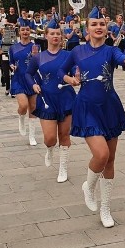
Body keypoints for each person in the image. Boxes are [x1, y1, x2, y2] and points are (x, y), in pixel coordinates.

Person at [60, 7, 125, 228]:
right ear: (87, 29)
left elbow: (123, 59)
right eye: (94, 24)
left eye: (102, 24)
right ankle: (89, 185)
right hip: (86, 108)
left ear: (107, 29)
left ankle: (106, 208)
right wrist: (70, 79)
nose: (98, 27)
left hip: (109, 107)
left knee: (111, 159)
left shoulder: (110, 51)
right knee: (101, 154)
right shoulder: (77, 51)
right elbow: (62, 71)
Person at [24, 19, 76, 182]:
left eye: (58, 34)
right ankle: (49, 149)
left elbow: (75, 70)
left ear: (62, 37)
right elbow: (28, 74)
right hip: (46, 98)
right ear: (46, 36)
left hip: (66, 98)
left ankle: (63, 169)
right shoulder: (38, 57)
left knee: (64, 135)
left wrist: (76, 77)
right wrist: (33, 85)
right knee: (50, 138)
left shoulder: (68, 55)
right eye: (52, 33)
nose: (55, 36)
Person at [9, 25, 40, 145]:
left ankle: (32, 136)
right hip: (18, 78)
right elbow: (11, 61)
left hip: (32, 79)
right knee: (23, 105)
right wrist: (12, 66)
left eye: (27, 30)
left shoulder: (35, 46)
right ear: (19, 32)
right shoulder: (13, 47)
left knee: (33, 107)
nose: (25, 32)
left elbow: (39, 62)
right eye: (23, 30)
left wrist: (35, 56)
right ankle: (21, 117)